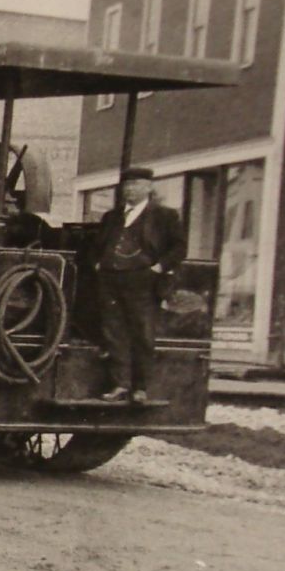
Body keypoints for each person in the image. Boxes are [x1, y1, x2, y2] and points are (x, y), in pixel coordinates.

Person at [93, 166, 186, 404]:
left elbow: (179, 247)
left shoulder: (165, 216)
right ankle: (120, 385)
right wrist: (98, 263)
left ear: (149, 187)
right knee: (114, 332)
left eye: (136, 184)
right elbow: (98, 245)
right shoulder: (111, 217)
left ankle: (140, 388)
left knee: (142, 334)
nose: (130, 189)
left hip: (142, 281)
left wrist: (159, 267)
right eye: (127, 185)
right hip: (111, 279)